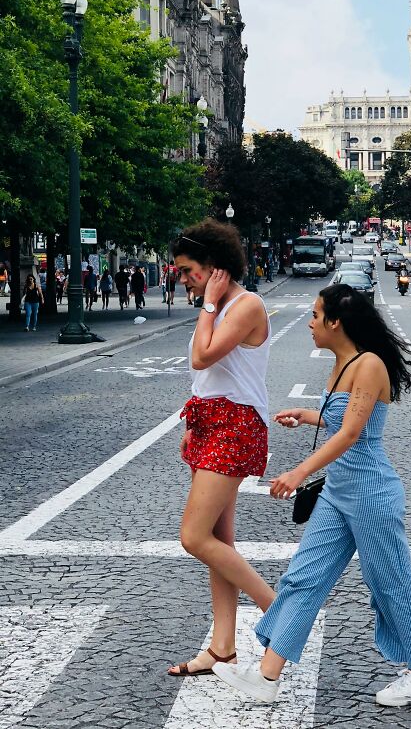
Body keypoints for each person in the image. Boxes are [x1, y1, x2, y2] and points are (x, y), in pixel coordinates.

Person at [213, 283, 411, 708]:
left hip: (371, 494)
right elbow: (344, 416)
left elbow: (354, 432)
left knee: (389, 585)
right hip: (338, 492)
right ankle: (267, 675)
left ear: (336, 322)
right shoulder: (342, 362)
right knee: (302, 577)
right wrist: (308, 415)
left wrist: (300, 471)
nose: (310, 324)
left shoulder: (369, 364)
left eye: (315, 316)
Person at [168, 219, 275, 678]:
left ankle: (281, 609)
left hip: (237, 425)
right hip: (212, 421)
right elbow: (205, 375)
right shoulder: (215, 305)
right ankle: (222, 648)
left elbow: (202, 355)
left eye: (189, 270)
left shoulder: (245, 305)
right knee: (218, 541)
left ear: (215, 268)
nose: (183, 278)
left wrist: (208, 302)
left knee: (194, 537)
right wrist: (194, 422)